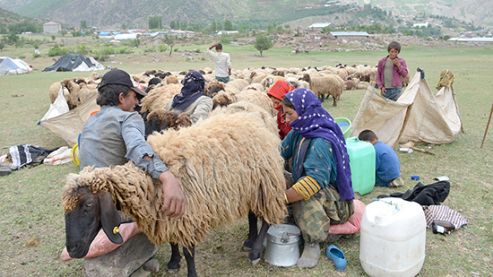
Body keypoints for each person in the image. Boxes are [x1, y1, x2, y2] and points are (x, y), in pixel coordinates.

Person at [79, 68, 186, 217]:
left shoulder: (91, 120)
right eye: (134, 97)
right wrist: (167, 177)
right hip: (113, 200)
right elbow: (137, 146)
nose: (136, 102)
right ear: (122, 97)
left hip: (86, 198)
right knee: (150, 227)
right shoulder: (127, 117)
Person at [281, 88, 354, 268]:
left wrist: (281, 198)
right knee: (276, 177)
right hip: (316, 189)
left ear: (304, 110)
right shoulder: (300, 131)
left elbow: (313, 183)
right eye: (285, 114)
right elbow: (280, 151)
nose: (286, 119)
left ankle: (312, 242)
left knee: (305, 193)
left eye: (289, 113)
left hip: (336, 202)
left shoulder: (321, 140)